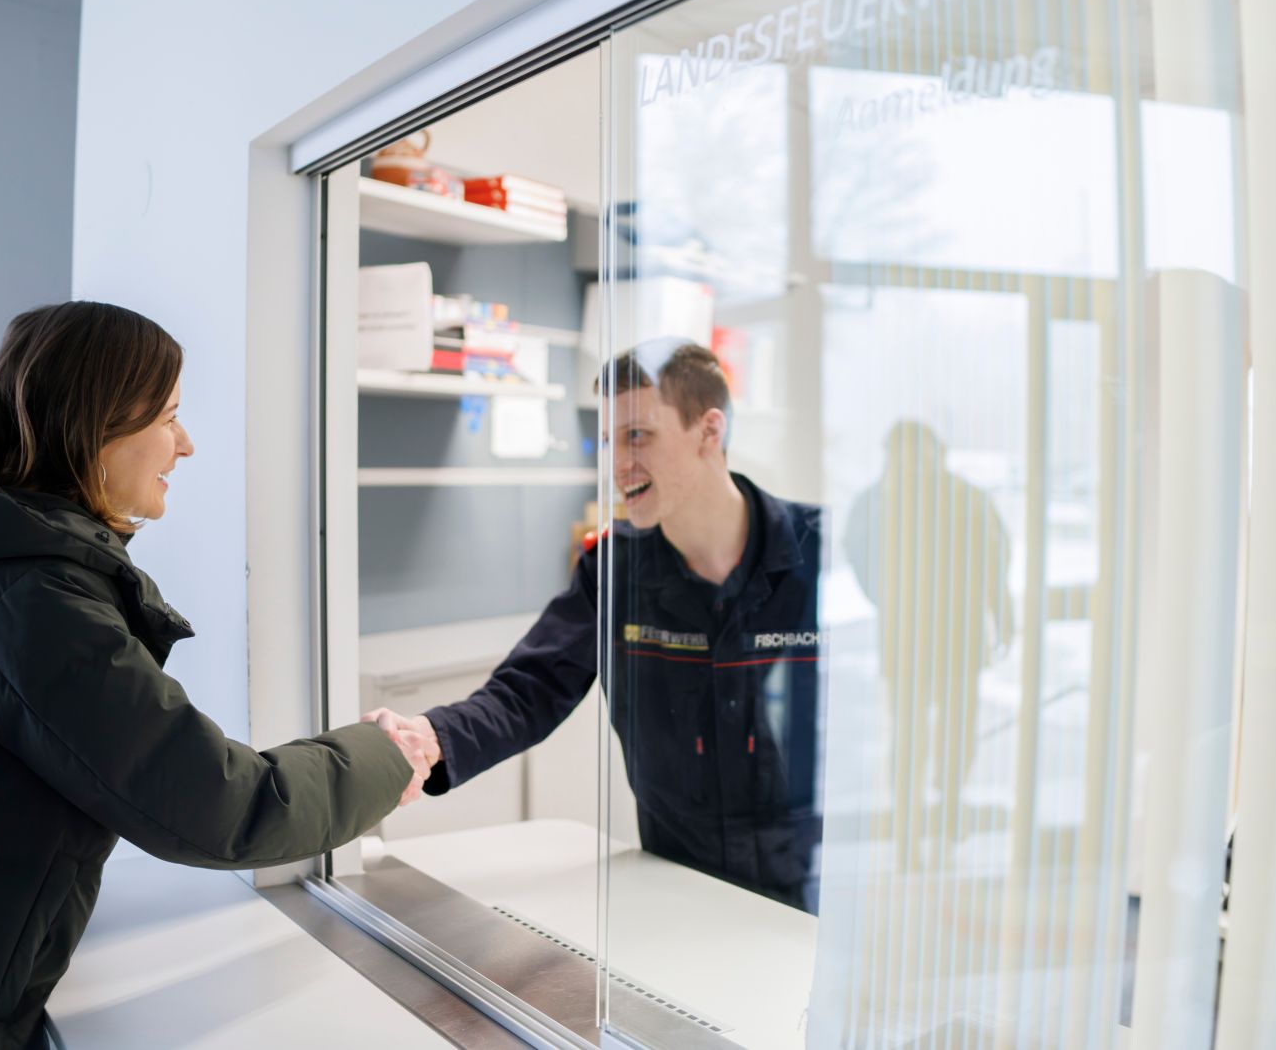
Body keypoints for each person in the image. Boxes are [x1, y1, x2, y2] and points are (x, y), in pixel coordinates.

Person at [0, 302, 432, 1050]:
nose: (184, 444)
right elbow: (218, 805)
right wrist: (386, 755)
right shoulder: (23, 599)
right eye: (168, 417)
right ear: (96, 429)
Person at [364, 340, 826, 910]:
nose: (618, 464)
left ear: (710, 432)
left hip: (816, 893)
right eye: (609, 441)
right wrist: (433, 739)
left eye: (638, 435)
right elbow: (527, 694)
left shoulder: (822, 556)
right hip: (677, 887)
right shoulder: (615, 569)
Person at [843, 421, 1012, 867]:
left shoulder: (966, 499)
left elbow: (996, 557)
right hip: (908, 636)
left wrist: (1002, 613)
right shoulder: (878, 501)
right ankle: (908, 822)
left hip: (957, 633)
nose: (913, 463)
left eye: (920, 453)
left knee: (957, 730)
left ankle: (949, 800)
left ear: (937, 454)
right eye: (903, 454)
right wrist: (887, 596)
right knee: (910, 733)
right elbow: (858, 552)